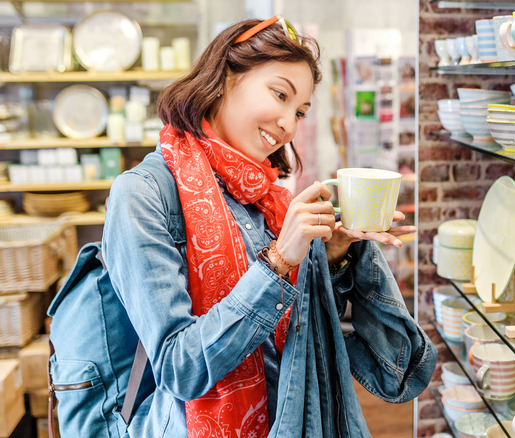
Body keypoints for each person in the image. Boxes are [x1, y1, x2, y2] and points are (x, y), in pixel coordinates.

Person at [102, 17, 436, 437]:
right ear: (225, 77)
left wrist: (333, 258)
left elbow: (289, 331)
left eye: (299, 111)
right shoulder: (142, 195)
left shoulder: (269, 199)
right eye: (279, 94)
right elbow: (178, 367)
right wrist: (279, 261)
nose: (289, 125)